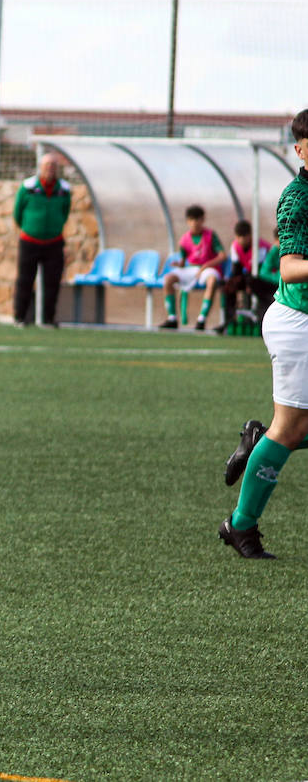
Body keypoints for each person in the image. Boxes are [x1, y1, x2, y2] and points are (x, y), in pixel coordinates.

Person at [218, 109, 308, 559]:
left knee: (290, 429)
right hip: (299, 324)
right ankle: (240, 526)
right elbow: (289, 267)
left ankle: (260, 441)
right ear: (299, 150)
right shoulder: (298, 198)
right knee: (290, 429)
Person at [11, 152, 71, 327]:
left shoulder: (63, 189)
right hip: (30, 241)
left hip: (54, 242)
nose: (50, 169)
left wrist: (55, 227)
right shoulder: (28, 186)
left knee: (52, 282)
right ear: (40, 168)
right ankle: (21, 317)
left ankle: (48, 319)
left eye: (53, 166)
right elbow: (17, 213)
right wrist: (30, 228)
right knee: (25, 280)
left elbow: (65, 212)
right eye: (47, 166)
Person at [158, 204, 226, 331]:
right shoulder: (184, 239)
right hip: (192, 269)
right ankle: (172, 318)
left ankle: (201, 319)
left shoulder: (210, 235)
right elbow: (184, 261)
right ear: (188, 221)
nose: (195, 223)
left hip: (208, 268)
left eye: (197, 219)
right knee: (168, 279)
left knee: (212, 280)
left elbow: (222, 256)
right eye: (192, 219)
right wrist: (179, 264)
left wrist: (206, 265)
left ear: (202, 220)